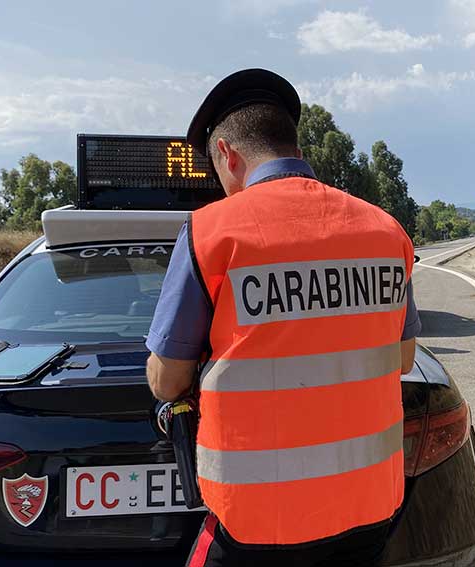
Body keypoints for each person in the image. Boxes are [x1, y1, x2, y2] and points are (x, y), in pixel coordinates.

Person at [145, 68, 421, 567]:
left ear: (228, 153)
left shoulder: (211, 233)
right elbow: (402, 358)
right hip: (370, 509)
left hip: (257, 523)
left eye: (217, 172)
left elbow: (167, 381)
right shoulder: (386, 231)